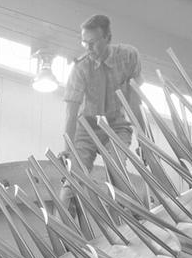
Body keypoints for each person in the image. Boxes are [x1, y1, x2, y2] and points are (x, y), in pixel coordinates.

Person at [61, 14, 143, 173]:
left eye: (92, 43)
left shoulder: (128, 57)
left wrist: (144, 141)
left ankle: (117, 194)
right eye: (84, 42)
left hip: (117, 127)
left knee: (117, 173)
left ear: (108, 38)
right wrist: (68, 150)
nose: (88, 48)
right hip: (87, 128)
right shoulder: (80, 68)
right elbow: (71, 113)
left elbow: (135, 102)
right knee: (74, 178)